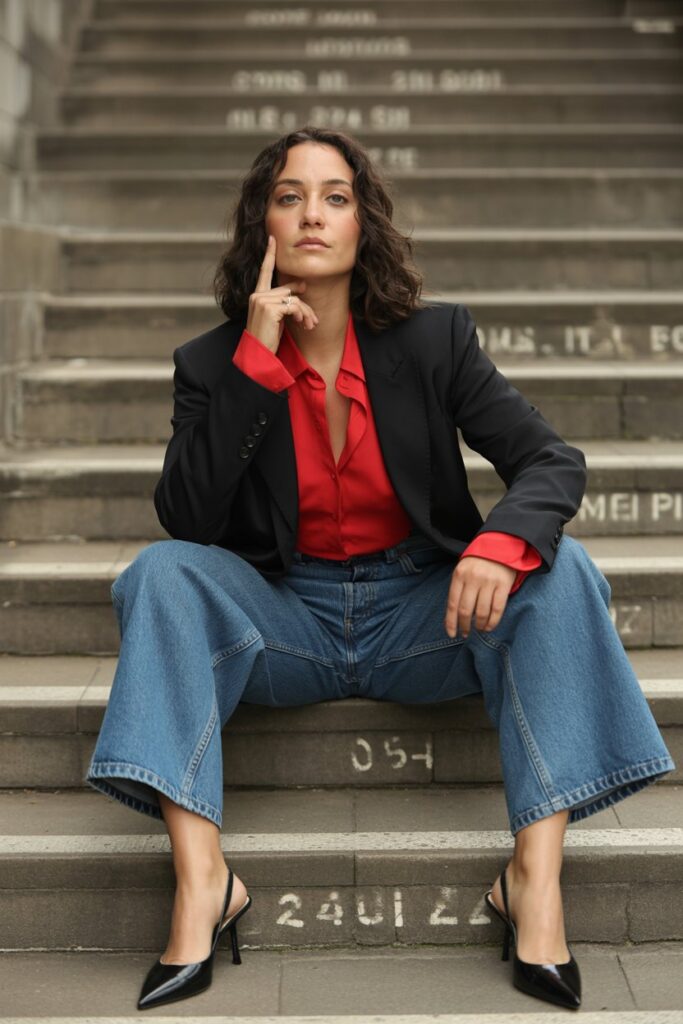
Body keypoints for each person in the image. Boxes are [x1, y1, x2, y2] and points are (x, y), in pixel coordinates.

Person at [85, 125, 675, 1012]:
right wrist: (255, 365)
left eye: (335, 196)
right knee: (160, 574)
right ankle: (204, 880)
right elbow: (188, 518)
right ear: (262, 226)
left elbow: (549, 462)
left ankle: (534, 880)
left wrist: (496, 542)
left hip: (422, 615)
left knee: (560, 567)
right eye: (289, 197)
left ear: (365, 223)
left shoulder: (432, 342)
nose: (312, 215)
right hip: (282, 617)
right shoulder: (212, 364)